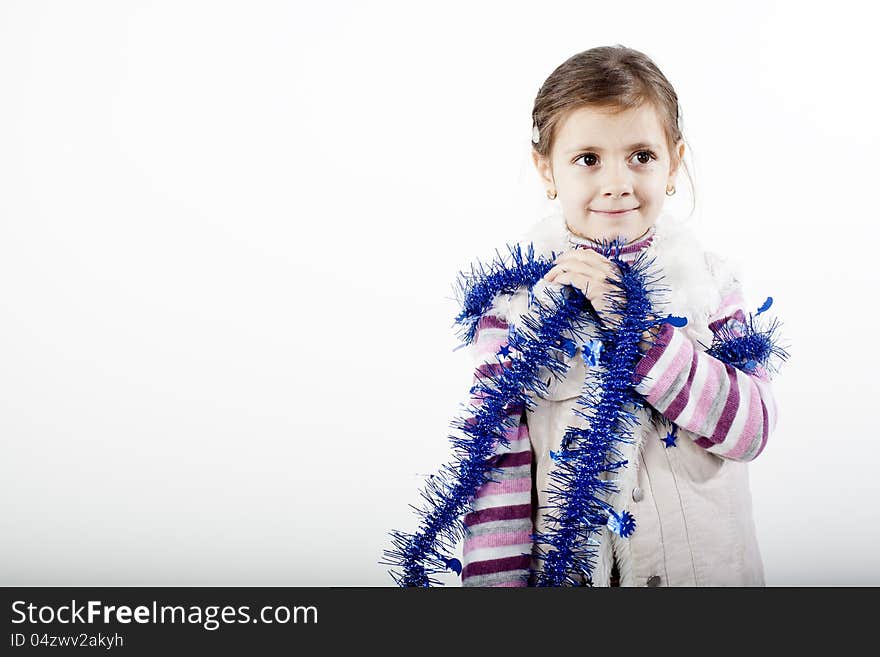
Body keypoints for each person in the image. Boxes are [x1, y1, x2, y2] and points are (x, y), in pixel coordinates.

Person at [458, 45, 781, 587]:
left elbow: (751, 429)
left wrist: (640, 331)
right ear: (547, 169)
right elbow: (496, 477)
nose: (617, 183)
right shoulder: (516, 311)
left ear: (673, 162)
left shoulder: (709, 287)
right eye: (588, 158)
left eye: (641, 156)